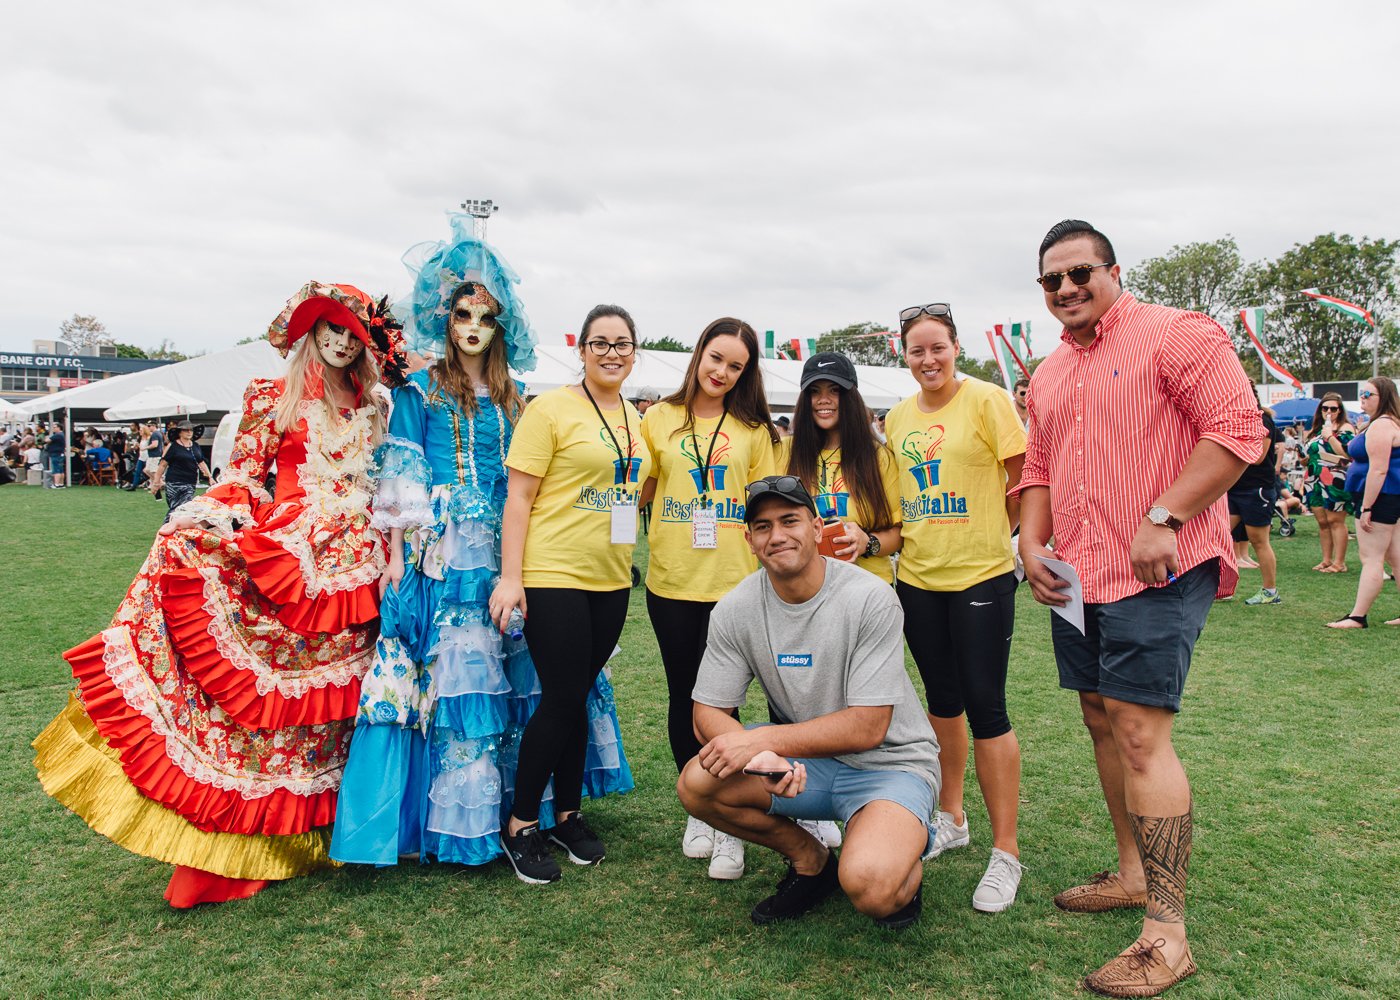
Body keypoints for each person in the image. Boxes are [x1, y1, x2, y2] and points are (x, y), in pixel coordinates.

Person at [33, 281, 403, 907]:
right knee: (269, 700)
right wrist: (213, 518)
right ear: (310, 333)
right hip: (294, 551)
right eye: (329, 330)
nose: (340, 342)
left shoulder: (377, 403)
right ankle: (245, 845)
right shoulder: (271, 396)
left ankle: (330, 831)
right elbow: (244, 480)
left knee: (339, 704)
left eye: (351, 333)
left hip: (361, 561)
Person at [332, 218, 631, 868]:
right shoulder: (417, 393)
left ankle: (544, 809)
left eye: (485, 316)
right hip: (450, 555)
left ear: (502, 325)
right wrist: (402, 560)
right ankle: (483, 818)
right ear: (444, 318)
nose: (472, 325)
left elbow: (542, 479)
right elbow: (404, 476)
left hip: (522, 547)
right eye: (462, 313)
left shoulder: (518, 399)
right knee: (465, 682)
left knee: (539, 677)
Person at [1018, 220, 1263, 997]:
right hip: (1078, 574)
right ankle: (1131, 874)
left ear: (1113, 271)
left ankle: (1167, 935)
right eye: (1051, 281)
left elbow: (1238, 430)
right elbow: (1039, 464)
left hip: (1161, 563)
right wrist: (1029, 544)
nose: (1065, 290)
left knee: (1136, 730)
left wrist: (1164, 515)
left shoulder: (1178, 335)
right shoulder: (1051, 370)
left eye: (1079, 273)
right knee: (1097, 713)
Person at [676, 475, 940, 929]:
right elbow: (708, 711)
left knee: (874, 889)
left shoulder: (870, 598)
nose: (777, 535)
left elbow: (868, 727)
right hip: (805, 766)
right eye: (762, 526)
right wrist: (763, 757)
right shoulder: (735, 608)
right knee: (697, 783)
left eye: (790, 521)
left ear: (817, 528)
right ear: (750, 541)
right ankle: (810, 859)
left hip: (890, 765)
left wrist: (762, 740)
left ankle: (901, 840)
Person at [488, 304, 652, 885]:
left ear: (636, 352)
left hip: (610, 578)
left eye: (623, 344)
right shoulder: (550, 409)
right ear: (581, 350)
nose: (612, 353)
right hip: (553, 573)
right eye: (601, 343)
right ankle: (520, 825)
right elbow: (519, 499)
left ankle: (567, 813)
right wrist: (512, 577)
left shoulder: (637, 418)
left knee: (578, 694)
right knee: (560, 697)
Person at [885, 304, 1028, 913]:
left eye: (937, 348)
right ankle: (952, 816)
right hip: (917, 580)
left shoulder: (989, 400)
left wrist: (1001, 537)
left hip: (981, 578)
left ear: (955, 347)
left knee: (987, 709)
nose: (928, 360)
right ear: (904, 356)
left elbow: (1023, 478)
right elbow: (898, 505)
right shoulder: (895, 417)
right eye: (917, 351)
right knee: (942, 703)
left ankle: (1006, 852)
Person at [637, 317, 778, 879]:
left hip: (735, 586)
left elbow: (767, 512)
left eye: (735, 366)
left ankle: (729, 818)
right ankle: (700, 808)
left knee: (724, 704)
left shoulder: (755, 431)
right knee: (683, 698)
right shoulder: (659, 419)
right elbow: (639, 490)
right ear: (698, 355)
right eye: (715, 358)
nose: (722, 372)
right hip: (671, 581)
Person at [1327, 377, 1400, 628]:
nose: (1362, 399)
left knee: (1372, 557)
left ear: (1384, 397)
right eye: (1362, 394)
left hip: (1380, 497)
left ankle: (1358, 616)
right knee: (1395, 555)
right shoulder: (1382, 424)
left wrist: (1367, 506)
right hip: (1386, 496)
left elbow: (1378, 470)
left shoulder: (1382, 425)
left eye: (1368, 395)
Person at [1226, 389, 1284, 604]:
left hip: (1257, 488)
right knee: (1220, 536)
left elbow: (1258, 457)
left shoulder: (1263, 421)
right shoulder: (1236, 418)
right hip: (1235, 487)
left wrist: (1230, 449)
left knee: (1259, 540)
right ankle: (1224, 586)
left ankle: (1270, 591)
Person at [1302, 392, 1355, 573]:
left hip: (1335, 477)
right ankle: (1326, 560)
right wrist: (1305, 459)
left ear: (1340, 410)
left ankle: (1339, 563)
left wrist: (1330, 436)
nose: (1329, 412)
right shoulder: (1316, 429)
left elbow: (1347, 454)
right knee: (1322, 522)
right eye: (1325, 408)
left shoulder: (1345, 428)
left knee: (1335, 520)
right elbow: (1313, 453)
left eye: (1333, 408)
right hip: (1314, 477)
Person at [148, 421, 212, 520]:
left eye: (191, 430)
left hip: (190, 482)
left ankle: (171, 529)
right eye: (186, 430)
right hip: (174, 482)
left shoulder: (195, 446)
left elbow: (201, 462)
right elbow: (162, 464)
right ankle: (167, 529)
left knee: (184, 507)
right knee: (175, 507)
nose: (189, 432)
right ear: (179, 432)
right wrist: (156, 481)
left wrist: (210, 477)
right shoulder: (172, 446)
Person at [43, 423, 66, 488]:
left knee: (56, 469)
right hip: (60, 453)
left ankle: (56, 484)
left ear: (59, 428)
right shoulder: (61, 435)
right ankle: (61, 484)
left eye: (54, 427)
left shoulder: (57, 435)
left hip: (56, 454)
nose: (53, 429)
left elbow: (47, 440)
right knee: (61, 470)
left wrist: (47, 437)